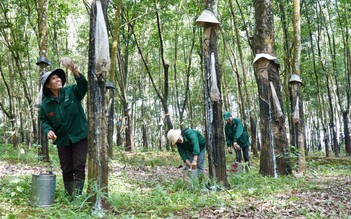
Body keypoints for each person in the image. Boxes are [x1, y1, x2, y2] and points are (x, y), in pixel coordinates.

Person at [39, 57, 88, 198]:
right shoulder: (45, 105)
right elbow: (44, 120)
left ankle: (77, 196)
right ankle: (69, 195)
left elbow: (83, 86)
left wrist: (74, 70)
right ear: (48, 85)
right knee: (66, 168)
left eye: (59, 77)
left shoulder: (72, 91)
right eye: (53, 79)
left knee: (78, 166)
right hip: (62, 139)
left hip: (79, 135)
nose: (58, 79)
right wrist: (49, 131)